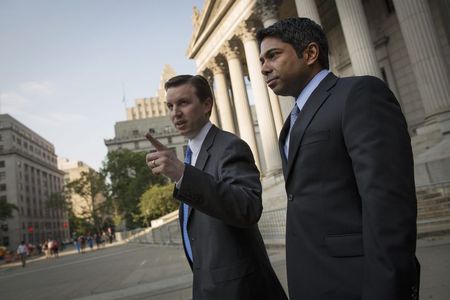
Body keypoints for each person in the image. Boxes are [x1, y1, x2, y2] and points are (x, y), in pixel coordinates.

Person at [257, 17, 420, 300]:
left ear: (309, 54)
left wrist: (387, 291)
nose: (263, 68)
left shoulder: (358, 94)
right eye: (261, 60)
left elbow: (388, 205)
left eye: (273, 55)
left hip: (358, 283)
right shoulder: (290, 125)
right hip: (315, 281)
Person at [146, 74, 287, 300]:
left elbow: (248, 208)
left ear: (206, 104)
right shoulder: (190, 155)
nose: (175, 113)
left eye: (183, 103)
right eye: (170, 106)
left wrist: (182, 174)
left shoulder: (230, 147)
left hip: (242, 290)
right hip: (208, 287)